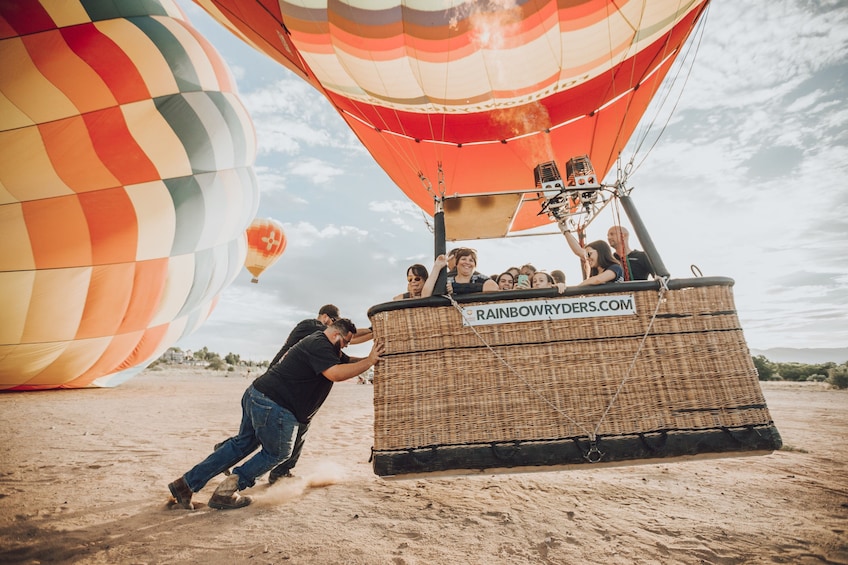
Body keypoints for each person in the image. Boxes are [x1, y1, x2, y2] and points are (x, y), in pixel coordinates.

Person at [168, 319, 384, 510]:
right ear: (336, 335)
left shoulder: (323, 343)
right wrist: (370, 361)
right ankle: (227, 491)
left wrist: (371, 358)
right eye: (346, 341)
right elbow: (336, 373)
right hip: (275, 405)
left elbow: (347, 362)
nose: (346, 345)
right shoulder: (320, 345)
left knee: (240, 445)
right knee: (279, 453)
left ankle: (184, 485)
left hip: (258, 395)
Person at [223, 304, 371, 483]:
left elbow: (347, 342)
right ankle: (255, 472)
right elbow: (346, 338)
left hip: (283, 388)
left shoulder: (327, 343)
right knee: (278, 441)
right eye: (334, 321)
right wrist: (373, 331)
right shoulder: (312, 327)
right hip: (280, 387)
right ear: (325, 318)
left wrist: (372, 347)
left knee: (257, 437)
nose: (345, 344)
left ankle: (230, 457)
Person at [421, 248, 498, 296]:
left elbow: (493, 287)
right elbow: (425, 295)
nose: (467, 262)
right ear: (457, 263)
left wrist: (458, 288)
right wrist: (437, 267)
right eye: (463, 259)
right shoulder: (448, 280)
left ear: (475, 265)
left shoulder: (478, 277)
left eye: (471, 260)